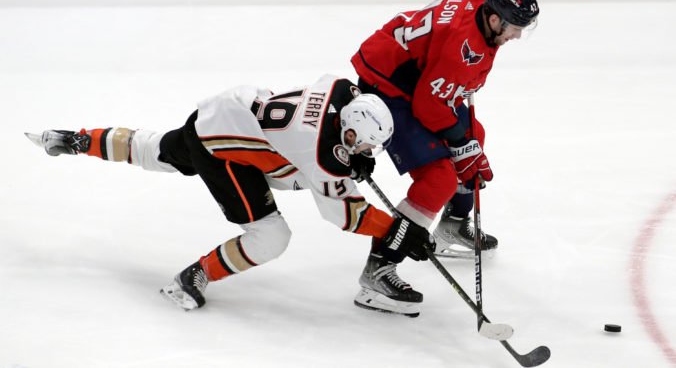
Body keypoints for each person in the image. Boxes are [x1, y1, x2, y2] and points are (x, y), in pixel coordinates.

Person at [26, 74, 435, 316]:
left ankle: (76, 139)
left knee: (156, 151)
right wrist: (397, 231)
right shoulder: (319, 152)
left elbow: (327, 126)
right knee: (272, 237)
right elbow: (345, 215)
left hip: (226, 112)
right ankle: (194, 277)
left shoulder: (343, 92)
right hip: (220, 148)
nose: (366, 153)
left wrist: (349, 155)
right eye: (363, 145)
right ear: (348, 130)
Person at [350, 0, 540, 314]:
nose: (517, 35)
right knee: (440, 178)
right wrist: (458, 143)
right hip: (388, 85)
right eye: (514, 28)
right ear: (493, 19)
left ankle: (451, 226)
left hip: (419, 73)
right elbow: (428, 106)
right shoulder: (460, 49)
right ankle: (378, 269)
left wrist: (465, 141)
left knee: (474, 139)